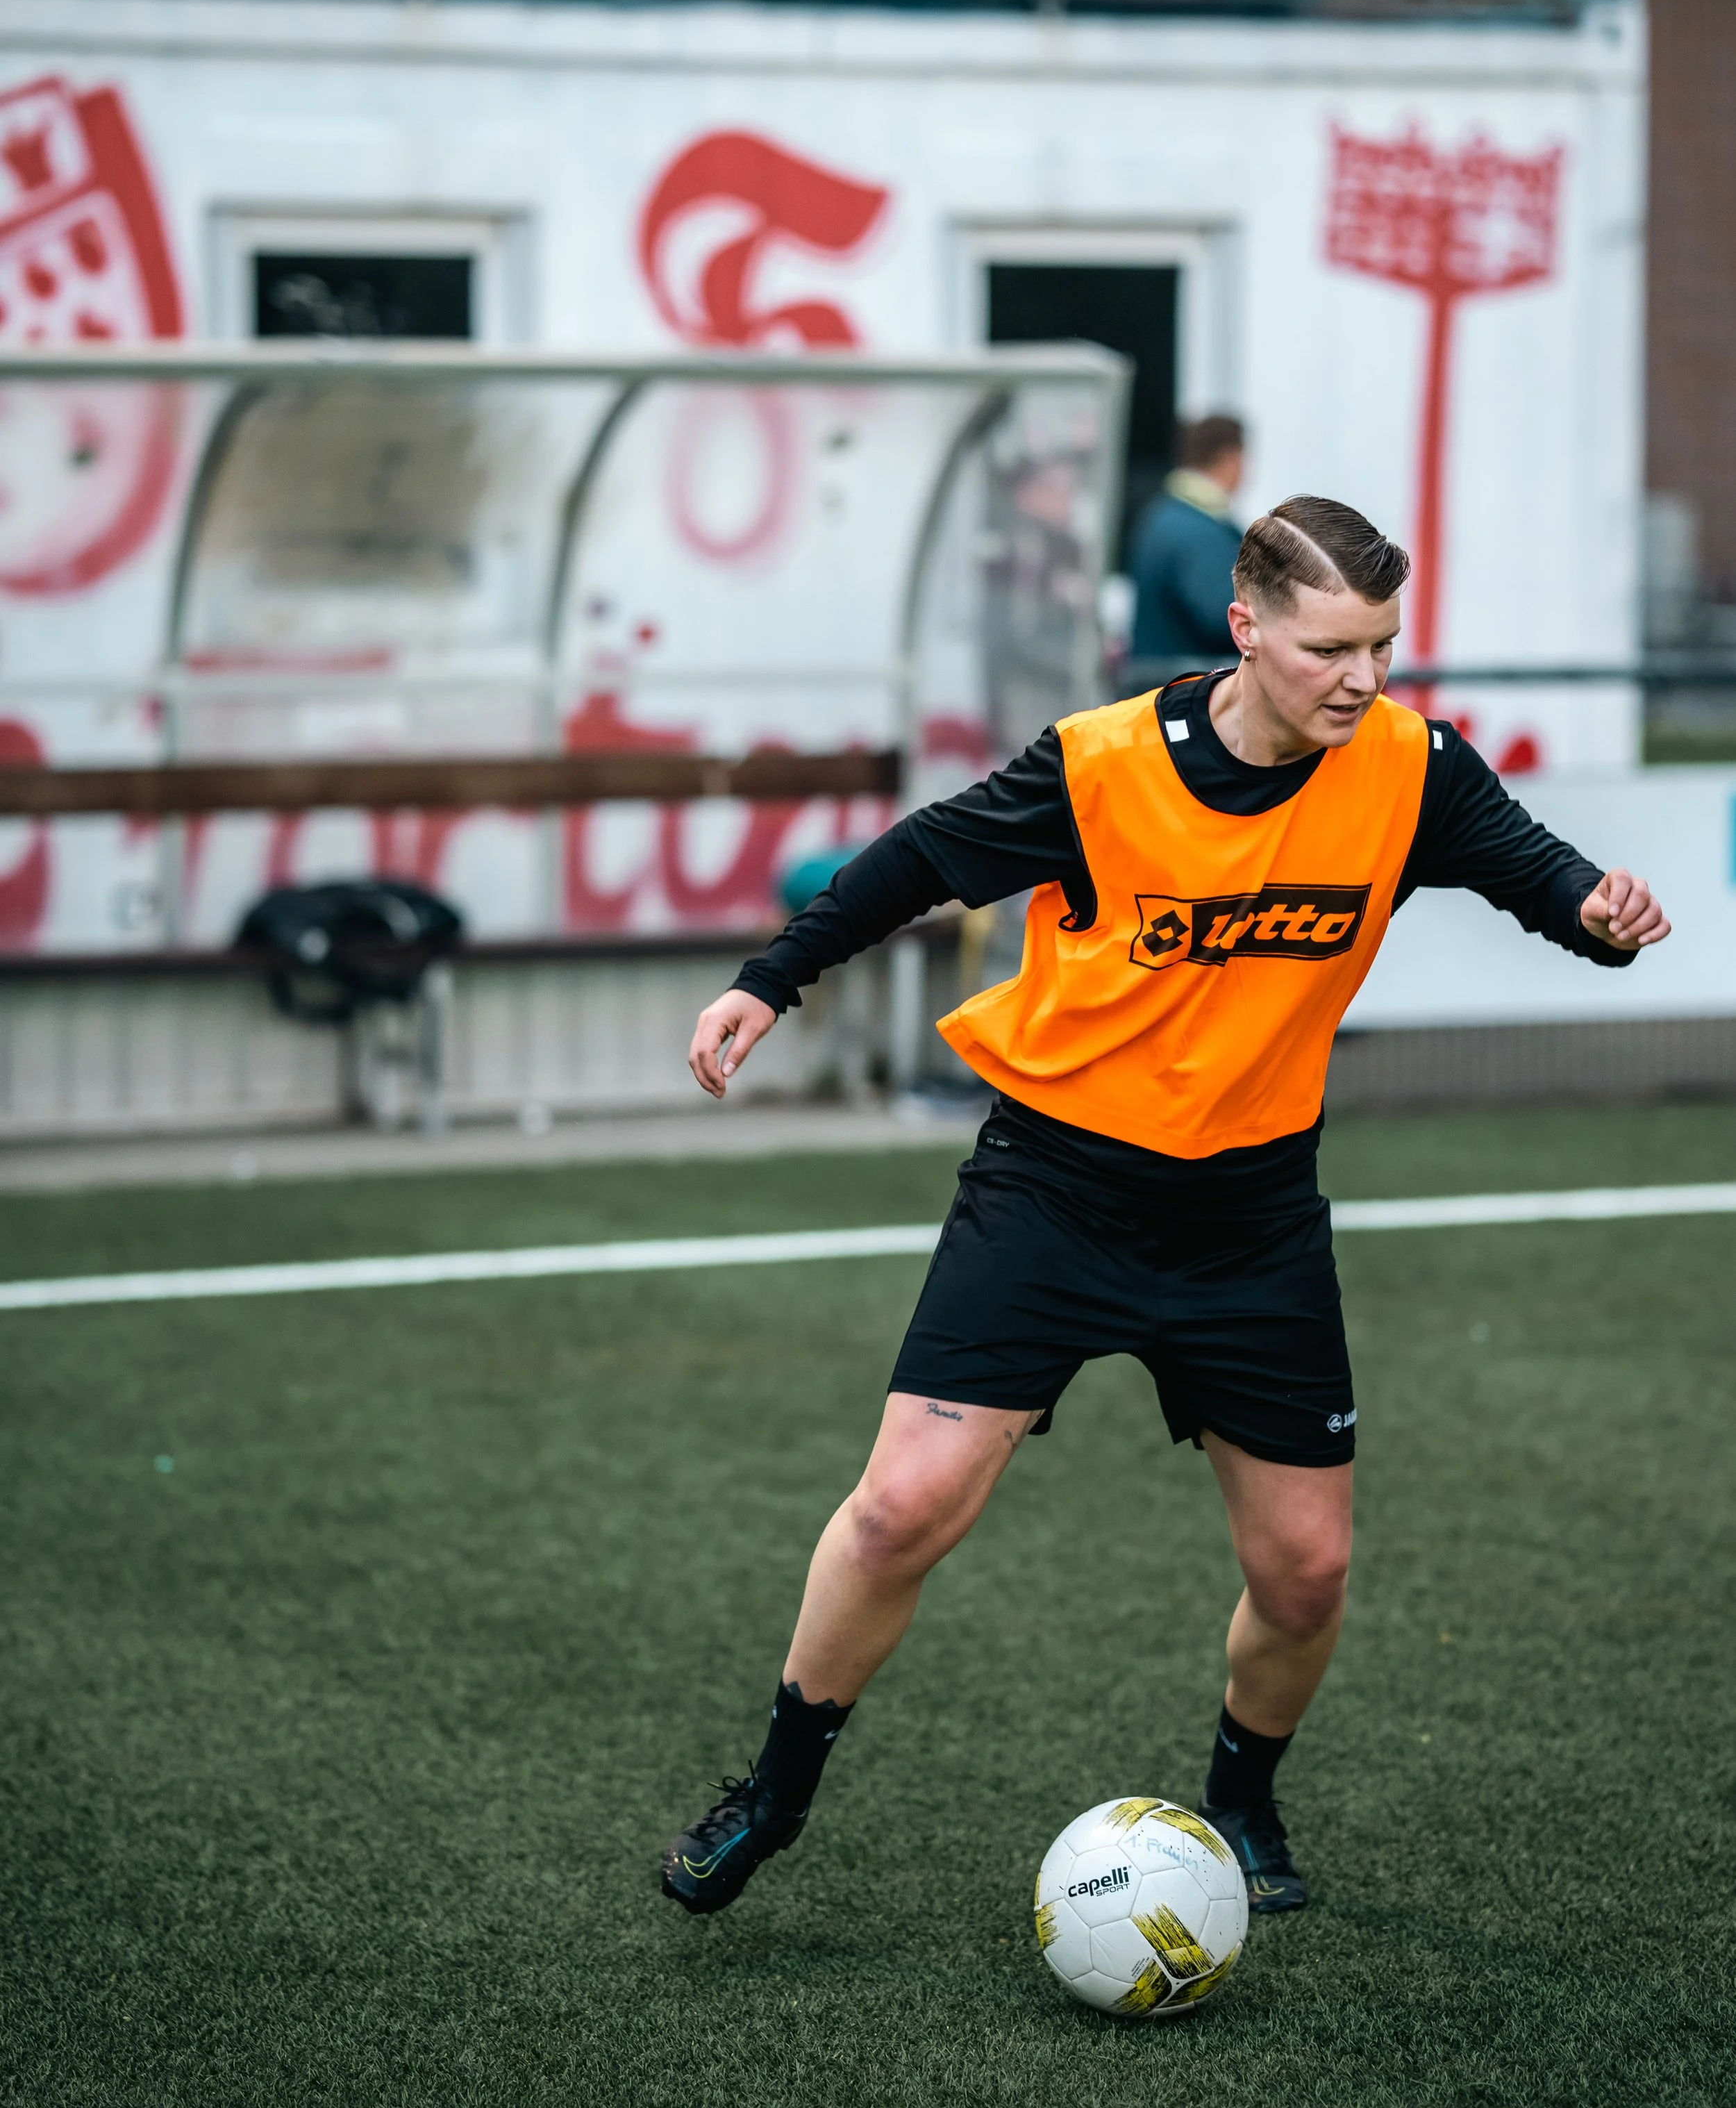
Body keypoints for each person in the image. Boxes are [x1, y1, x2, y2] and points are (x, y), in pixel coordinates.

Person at [662, 497, 1669, 1923]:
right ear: (1244, 629)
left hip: (1250, 1219)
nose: (1362, 678)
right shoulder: (1101, 765)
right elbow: (912, 860)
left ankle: (1240, 1804)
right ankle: (770, 1795)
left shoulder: (1407, 767)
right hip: (1054, 1191)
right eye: (1329, 647)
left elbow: (1544, 881)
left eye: (1381, 644)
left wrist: (1600, 916)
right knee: (901, 1512)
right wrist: (769, 978)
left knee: (1305, 1572)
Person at [1124, 413, 1246, 695]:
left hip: (1161, 691)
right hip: (1185, 696)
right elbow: (1220, 615)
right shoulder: (1198, 530)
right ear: (1231, 459)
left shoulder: (1164, 514)